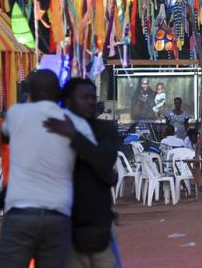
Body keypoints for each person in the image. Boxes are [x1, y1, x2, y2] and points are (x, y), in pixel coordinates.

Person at [0, 70, 96, 268]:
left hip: (20, 213)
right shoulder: (76, 124)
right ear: (59, 94)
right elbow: (94, 162)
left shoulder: (16, 114)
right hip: (57, 214)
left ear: (29, 94)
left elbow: (6, 138)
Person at [43, 78, 119, 268]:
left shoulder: (105, 129)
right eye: (84, 97)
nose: (91, 102)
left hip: (99, 226)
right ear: (68, 101)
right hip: (68, 230)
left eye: (93, 97)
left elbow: (105, 160)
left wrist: (74, 136)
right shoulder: (53, 131)